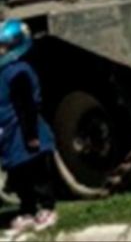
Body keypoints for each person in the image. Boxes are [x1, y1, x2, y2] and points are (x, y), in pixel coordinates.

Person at [0, 19, 57, 236]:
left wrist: (31, 135)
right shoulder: (4, 72)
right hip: (9, 134)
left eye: (3, 46)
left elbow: (27, 106)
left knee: (37, 174)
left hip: (26, 132)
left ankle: (47, 208)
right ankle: (27, 210)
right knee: (18, 176)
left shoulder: (19, 72)